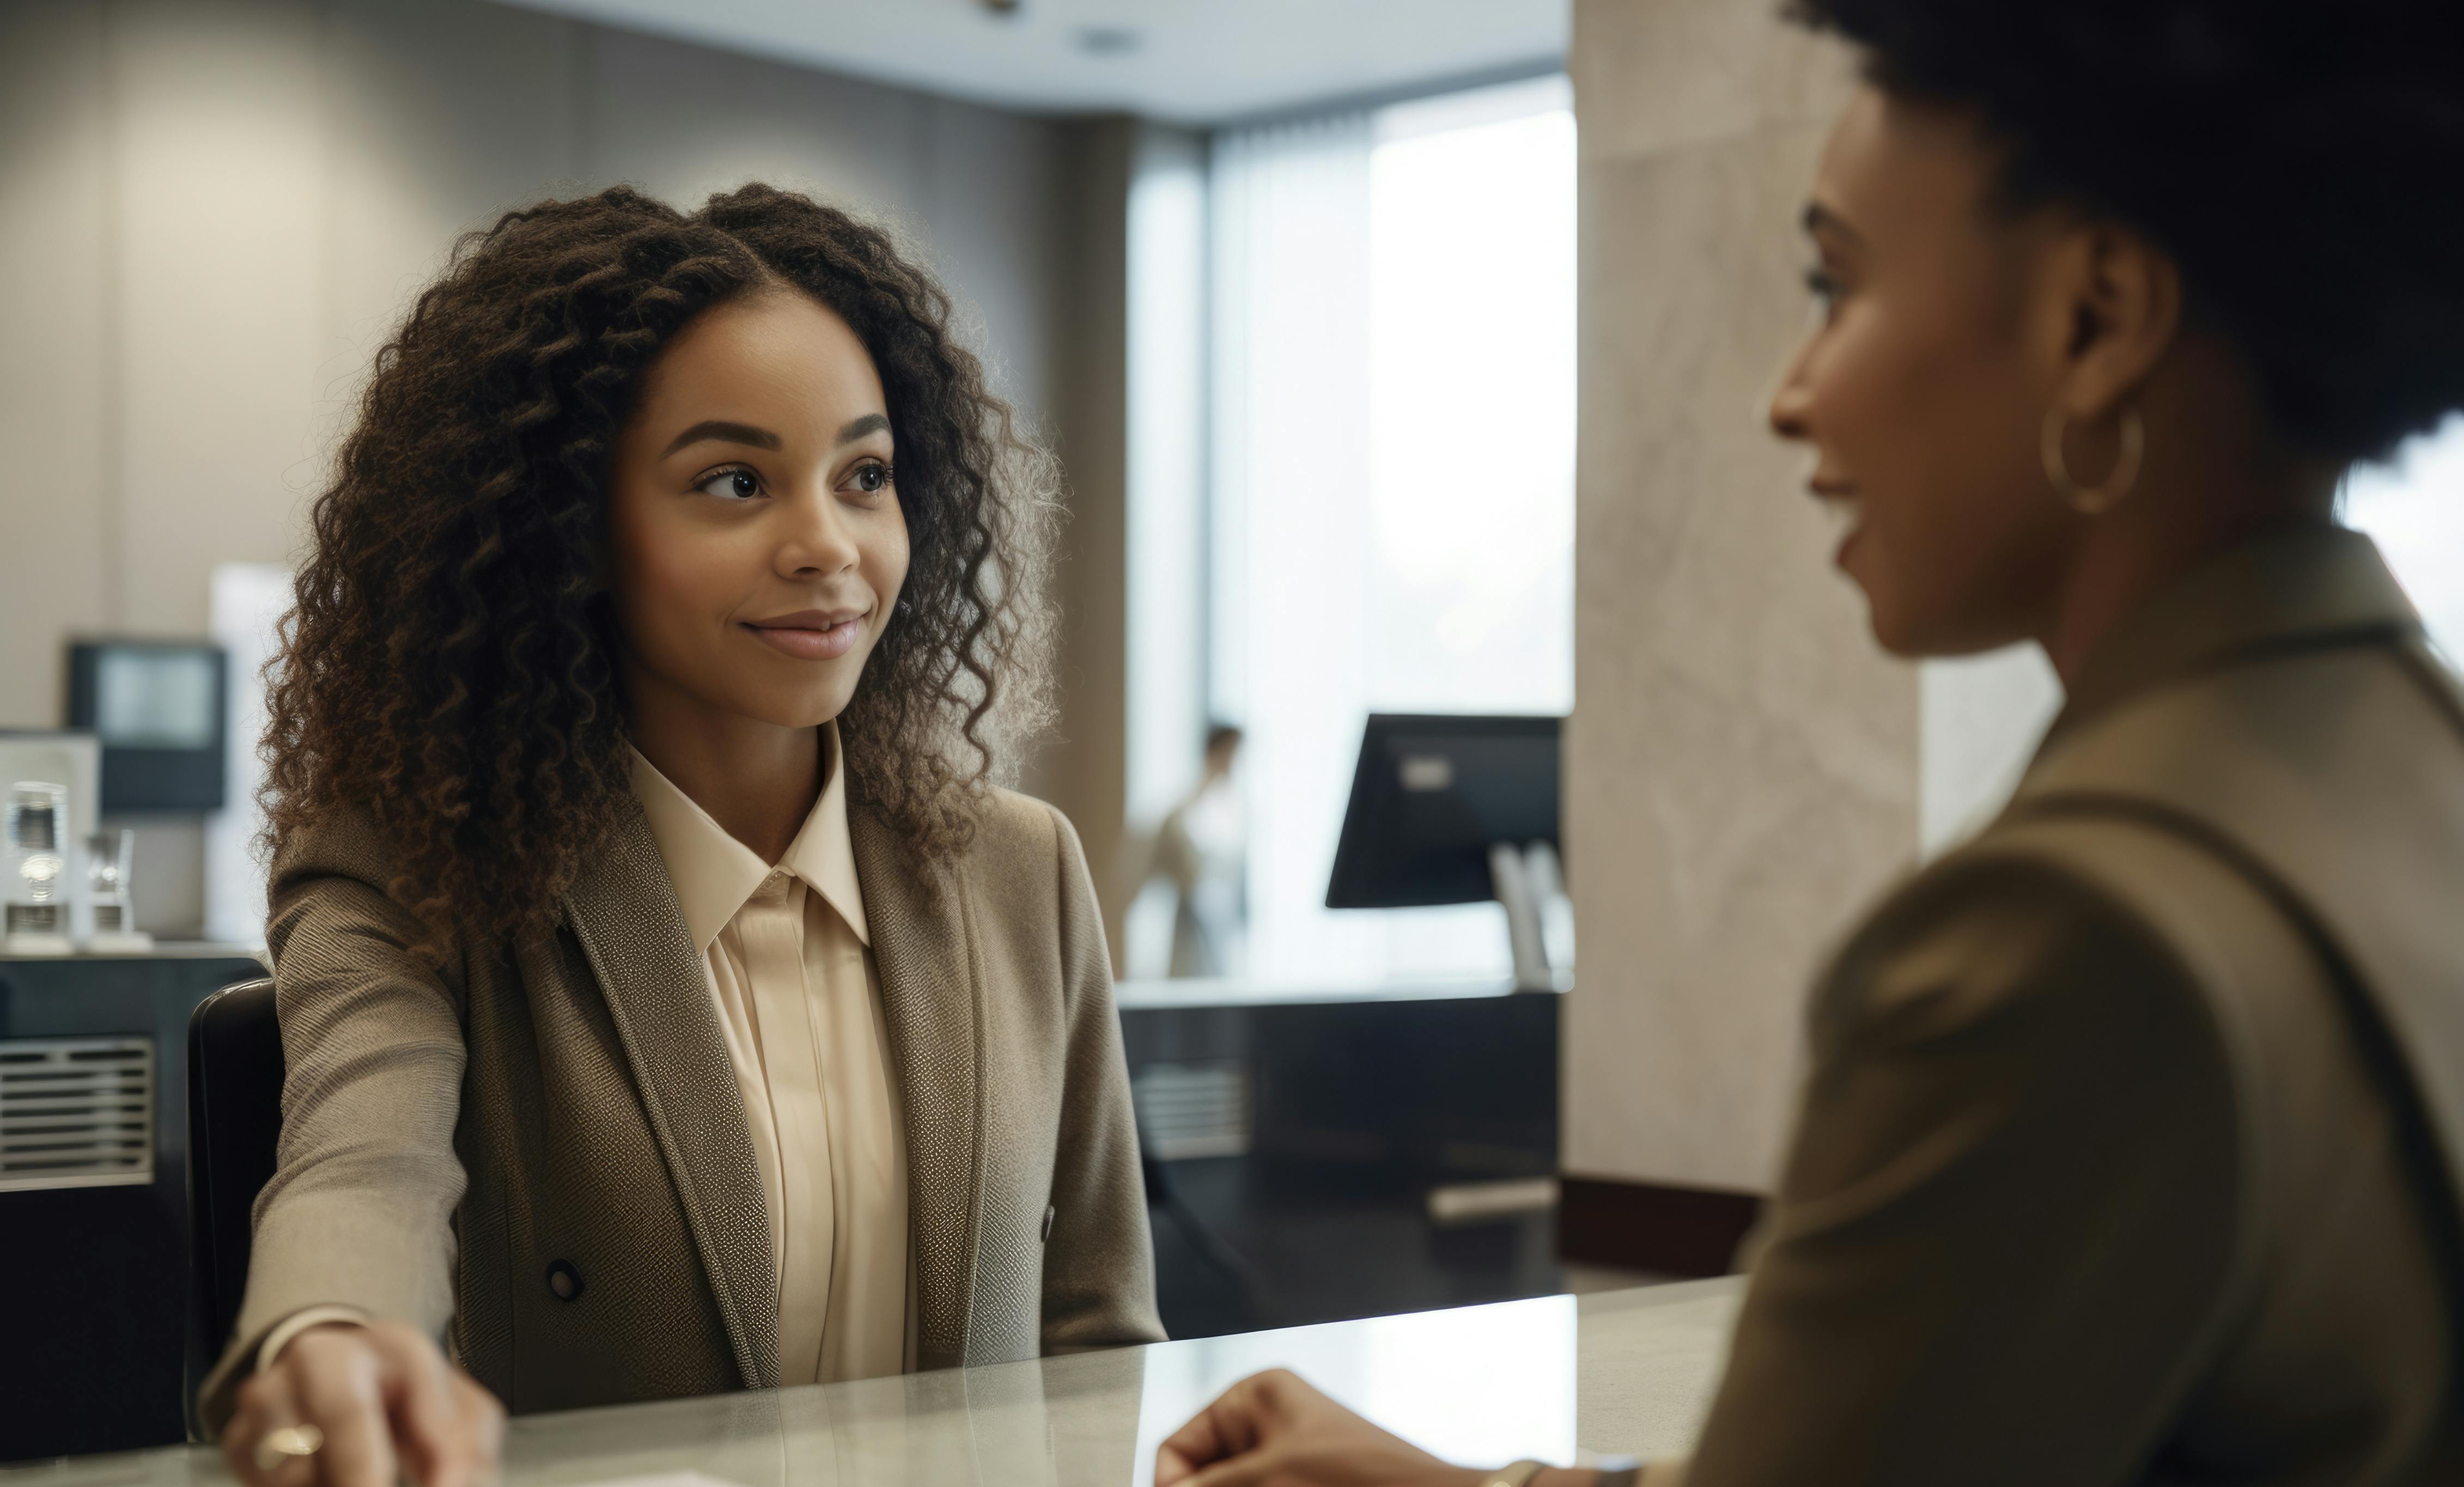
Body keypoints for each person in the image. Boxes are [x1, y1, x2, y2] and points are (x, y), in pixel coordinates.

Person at [1159, 2, 2464, 1483]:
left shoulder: (2065, 935)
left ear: (2097, 319)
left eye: (1834, 287)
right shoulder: (2413, 761)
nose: (1791, 396)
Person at [206, 184, 1163, 1487]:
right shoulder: (420, 865)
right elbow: (362, 1158)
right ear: (575, 533)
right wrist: (335, 1330)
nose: (827, 545)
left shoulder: (1023, 873)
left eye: (865, 476)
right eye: (734, 482)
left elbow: (1100, 1349)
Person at [1149, 723, 1246, 977]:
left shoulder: (1231, 807)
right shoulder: (1189, 810)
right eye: (1232, 753)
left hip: (1222, 923)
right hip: (1196, 924)